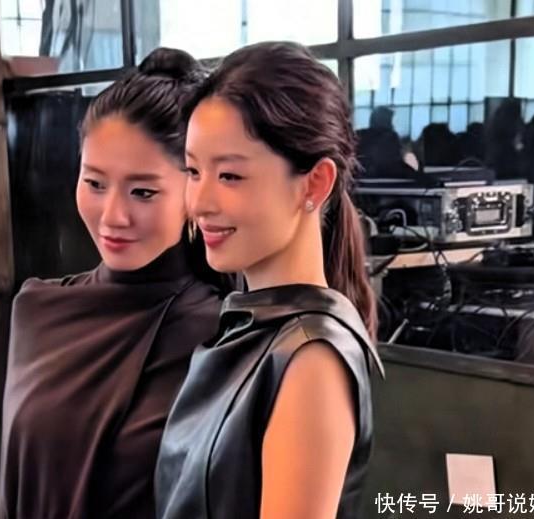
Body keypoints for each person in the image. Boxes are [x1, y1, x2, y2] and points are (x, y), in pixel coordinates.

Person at [155, 41, 384, 519]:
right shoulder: (252, 325)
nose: (199, 202)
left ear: (315, 183)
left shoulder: (312, 359)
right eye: (194, 171)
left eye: (230, 176)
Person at [0, 48, 228, 519]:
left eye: (143, 191)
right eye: (95, 183)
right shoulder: (38, 309)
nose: (112, 216)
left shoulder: (223, 333)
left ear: (194, 191)